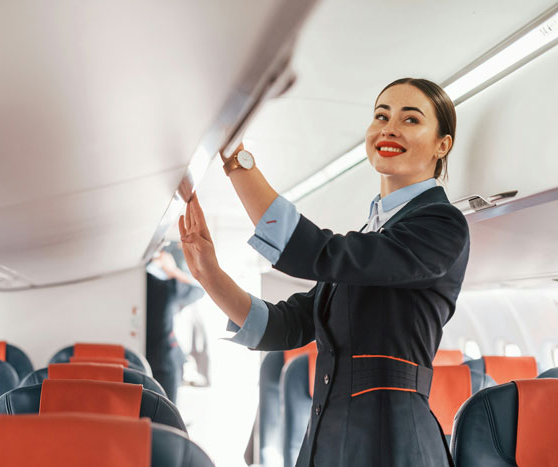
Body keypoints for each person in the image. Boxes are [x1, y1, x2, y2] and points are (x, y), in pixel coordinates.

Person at [179, 78, 469, 466]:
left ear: (442, 145)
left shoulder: (441, 224)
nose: (388, 127)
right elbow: (290, 324)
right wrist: (210, 276)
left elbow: (319, 251)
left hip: (393, 448)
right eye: (380, 116)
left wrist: (236, 159)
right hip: (327, 443)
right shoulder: (373, 234)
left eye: (410, 119)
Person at [146, 244, 204, 404]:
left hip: (141, 360)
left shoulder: (129, 287)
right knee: (167, 413)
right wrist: (171, 270)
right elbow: (199, 289)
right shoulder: (165, 287)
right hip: (164, 363)